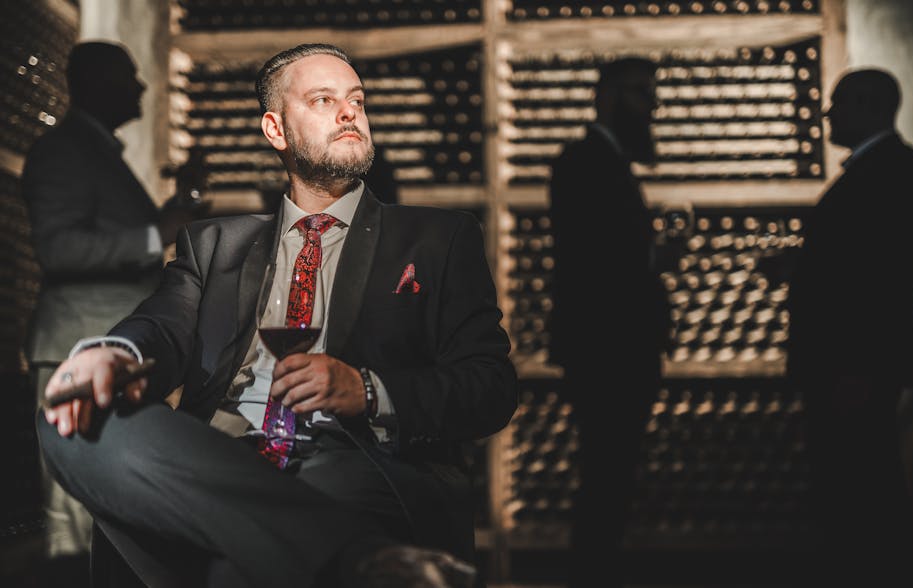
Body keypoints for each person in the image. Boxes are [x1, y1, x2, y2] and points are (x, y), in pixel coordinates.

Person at [36, 42, 517, 588]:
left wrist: (367, 389)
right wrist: (114, 353)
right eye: (322, 99)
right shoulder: (214, 243)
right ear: (275, 130)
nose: (349, 112)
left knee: (266, 535)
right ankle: (356, 562)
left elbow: (491, 388)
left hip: (352, 458)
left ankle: (311, 551)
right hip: (217, 458)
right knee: (72, 420)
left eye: (357, 100)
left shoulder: (437, 238)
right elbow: (162, 323)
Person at [20, 40, 203, 578]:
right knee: (74, 516)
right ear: (95, 82)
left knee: (111, 506)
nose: (143, 87)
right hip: (76, 349)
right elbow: (59, 250)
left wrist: (182, 205)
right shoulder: (60, 151)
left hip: (111, 350)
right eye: (130, 76)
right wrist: (158, 233)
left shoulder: (98, 152)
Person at [786, 68, 913, 585]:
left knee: (862, 490)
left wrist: (857, 369)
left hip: (853, 368)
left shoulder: (895, 172)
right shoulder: (888, 170)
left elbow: (879, 282)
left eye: (838, 104)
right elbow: (852, 267)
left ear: (870, 106)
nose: (827, 114)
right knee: (858, 485)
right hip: (850, 365)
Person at [547, 57, 670, 588]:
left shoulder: (606, 161)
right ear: (609, 98)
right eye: (644, 94)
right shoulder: (587, 161)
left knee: (610, 476)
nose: (654, 107)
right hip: (610, 353)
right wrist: (650, 259)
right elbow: (598, 262)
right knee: (606, 477)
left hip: (611, 349)